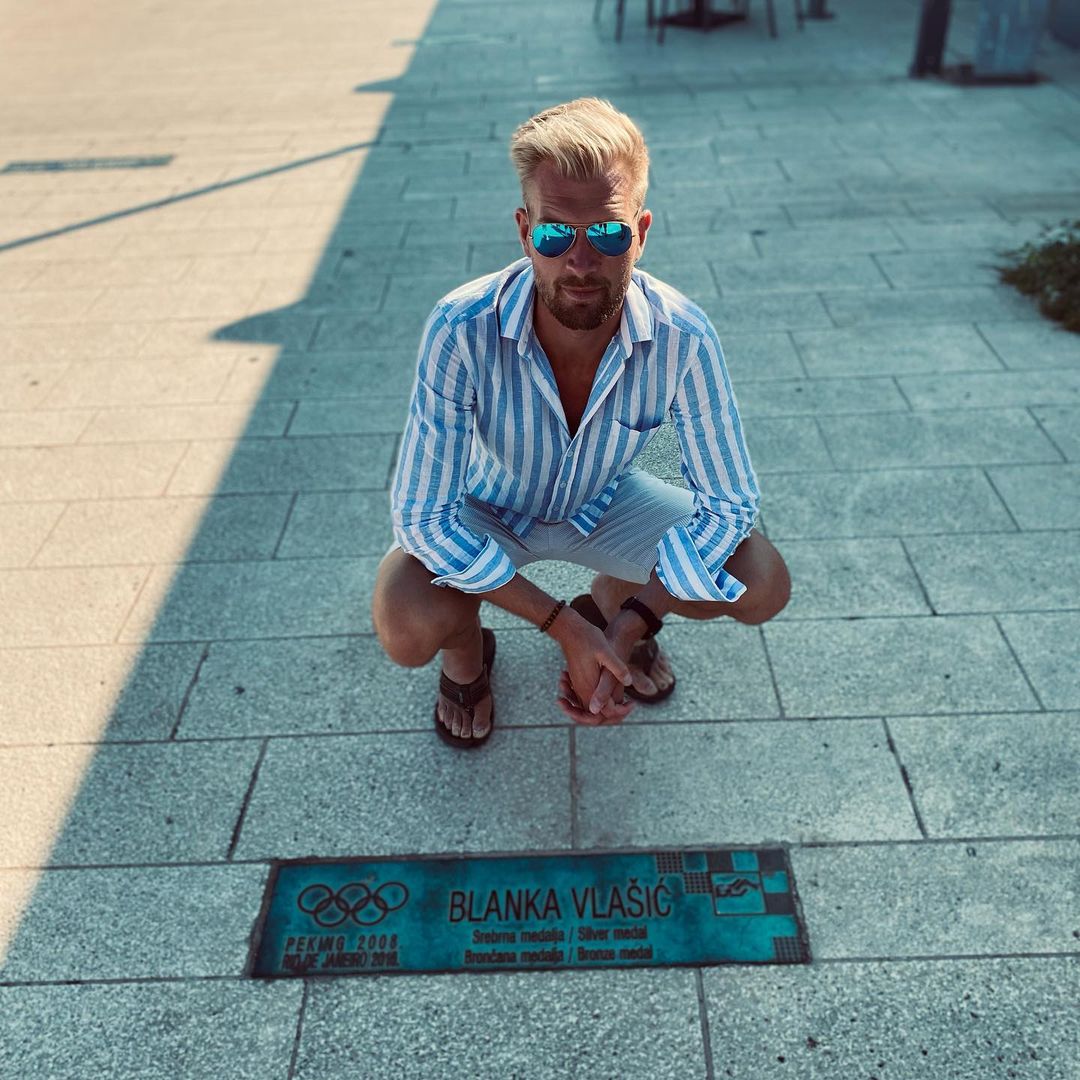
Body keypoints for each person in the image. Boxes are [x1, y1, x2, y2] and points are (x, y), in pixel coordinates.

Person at [372, 97, 790, 748]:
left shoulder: (683, 335)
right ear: (524, 232)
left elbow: (730, 503)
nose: (581, 261)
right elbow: (423, 517)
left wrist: (630, 623)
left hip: (605, 502)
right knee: (407, 619)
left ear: (641, 233)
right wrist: (562, 627)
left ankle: (615, 603)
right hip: (489, 505)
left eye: (609, 234)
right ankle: (468, 654)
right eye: (555, 235)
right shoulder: (461, 327)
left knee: (760, 579)